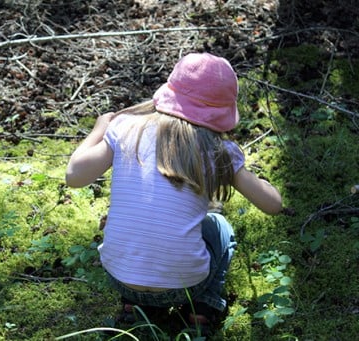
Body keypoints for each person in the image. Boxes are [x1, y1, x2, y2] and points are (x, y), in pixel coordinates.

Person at [65, 52, 283, 330]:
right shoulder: (219, 152)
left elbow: (74, 176)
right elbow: (273, 204)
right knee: (219, 227)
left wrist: (98, 129)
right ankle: (204, 307)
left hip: (119, 277)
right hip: (187, 285)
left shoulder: (125, 127)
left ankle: (137, 307)